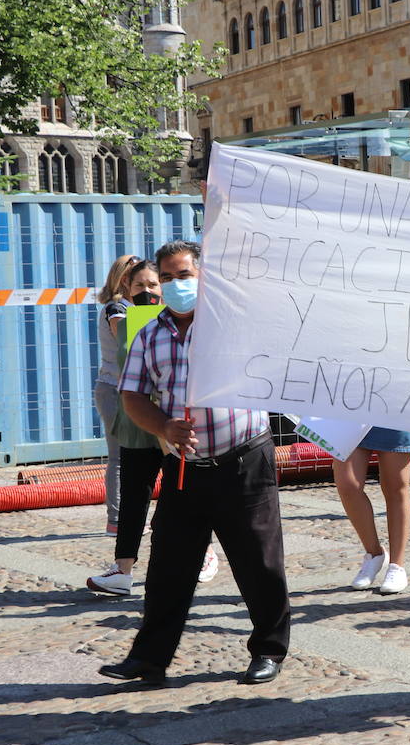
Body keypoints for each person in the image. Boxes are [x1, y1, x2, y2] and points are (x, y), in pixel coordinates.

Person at [98, 240, 291, 687]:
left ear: (204, 276)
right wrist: (164, 427)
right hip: (185, 466)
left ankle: (268, 650)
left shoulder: (234, 322)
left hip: (244, 460)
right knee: (168, 566)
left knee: (259, 562)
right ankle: (148, 660)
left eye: (183, 276)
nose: (174, 285)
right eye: (166, 278)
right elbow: (131, 396)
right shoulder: (149, 334)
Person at [88, 262, 208, 595]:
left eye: (154, 284)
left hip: (175, 420)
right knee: (134, 493)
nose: (149, 291)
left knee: (186, 493)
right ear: (127, 287)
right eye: (141, 285)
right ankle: (122, 569)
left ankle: (202, 554)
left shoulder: (186, 321)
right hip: (142, 417)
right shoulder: (127, 319)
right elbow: (130, 366)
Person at [335, 428, 410, 595]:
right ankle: (374, 554)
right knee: (347, 485)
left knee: (395, 487)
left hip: (395, 413)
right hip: (350, 413)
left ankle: (397, 565)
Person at [94, 254, 139, 538]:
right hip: (114, 389)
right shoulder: (117, 308)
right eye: (141, 280)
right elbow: (124, 336)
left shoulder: (135, 306)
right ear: (125, 280)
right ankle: (117, 520)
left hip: (130, 389)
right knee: (119, 457)